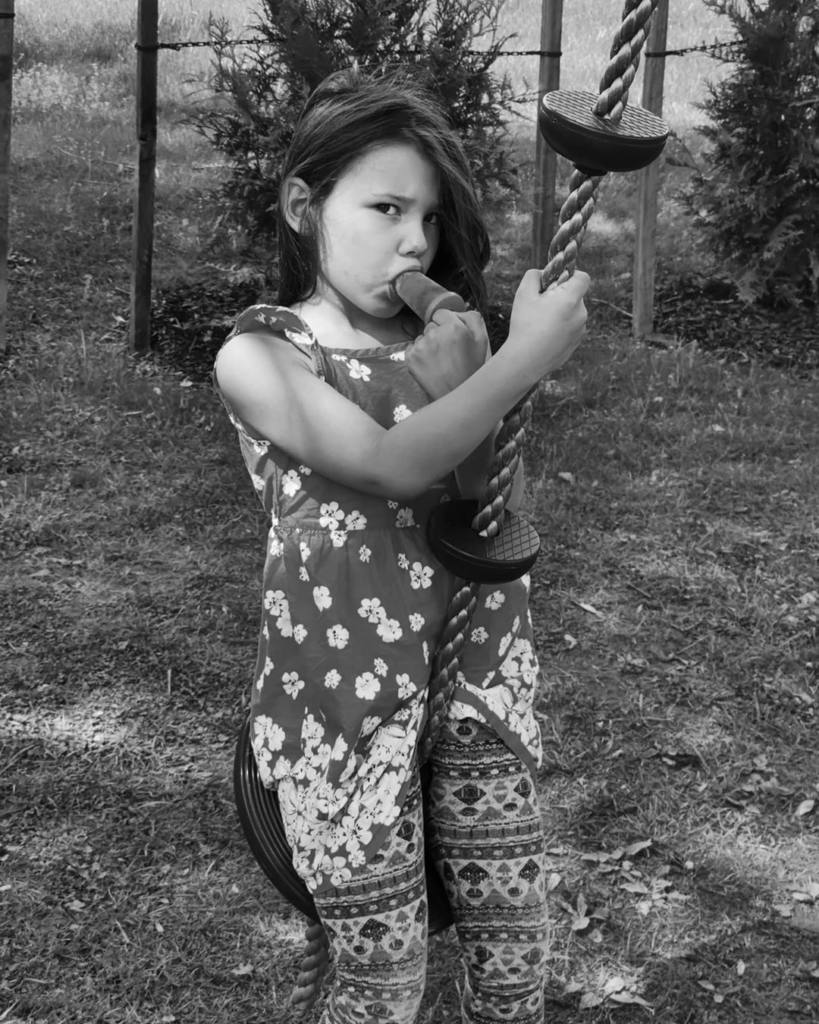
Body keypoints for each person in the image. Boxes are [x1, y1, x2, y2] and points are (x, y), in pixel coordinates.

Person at [215, 66, 589, 1024]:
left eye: (426, 217)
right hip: (346, 706)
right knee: (381, 986)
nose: (414, 241)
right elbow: (385, 466)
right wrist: (517, 362)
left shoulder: (445, 352)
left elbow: (491, 510)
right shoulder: (264, 354)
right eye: (385, 208)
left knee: (514, 967)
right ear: (304, 206)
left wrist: (471, 380)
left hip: (475, 684)